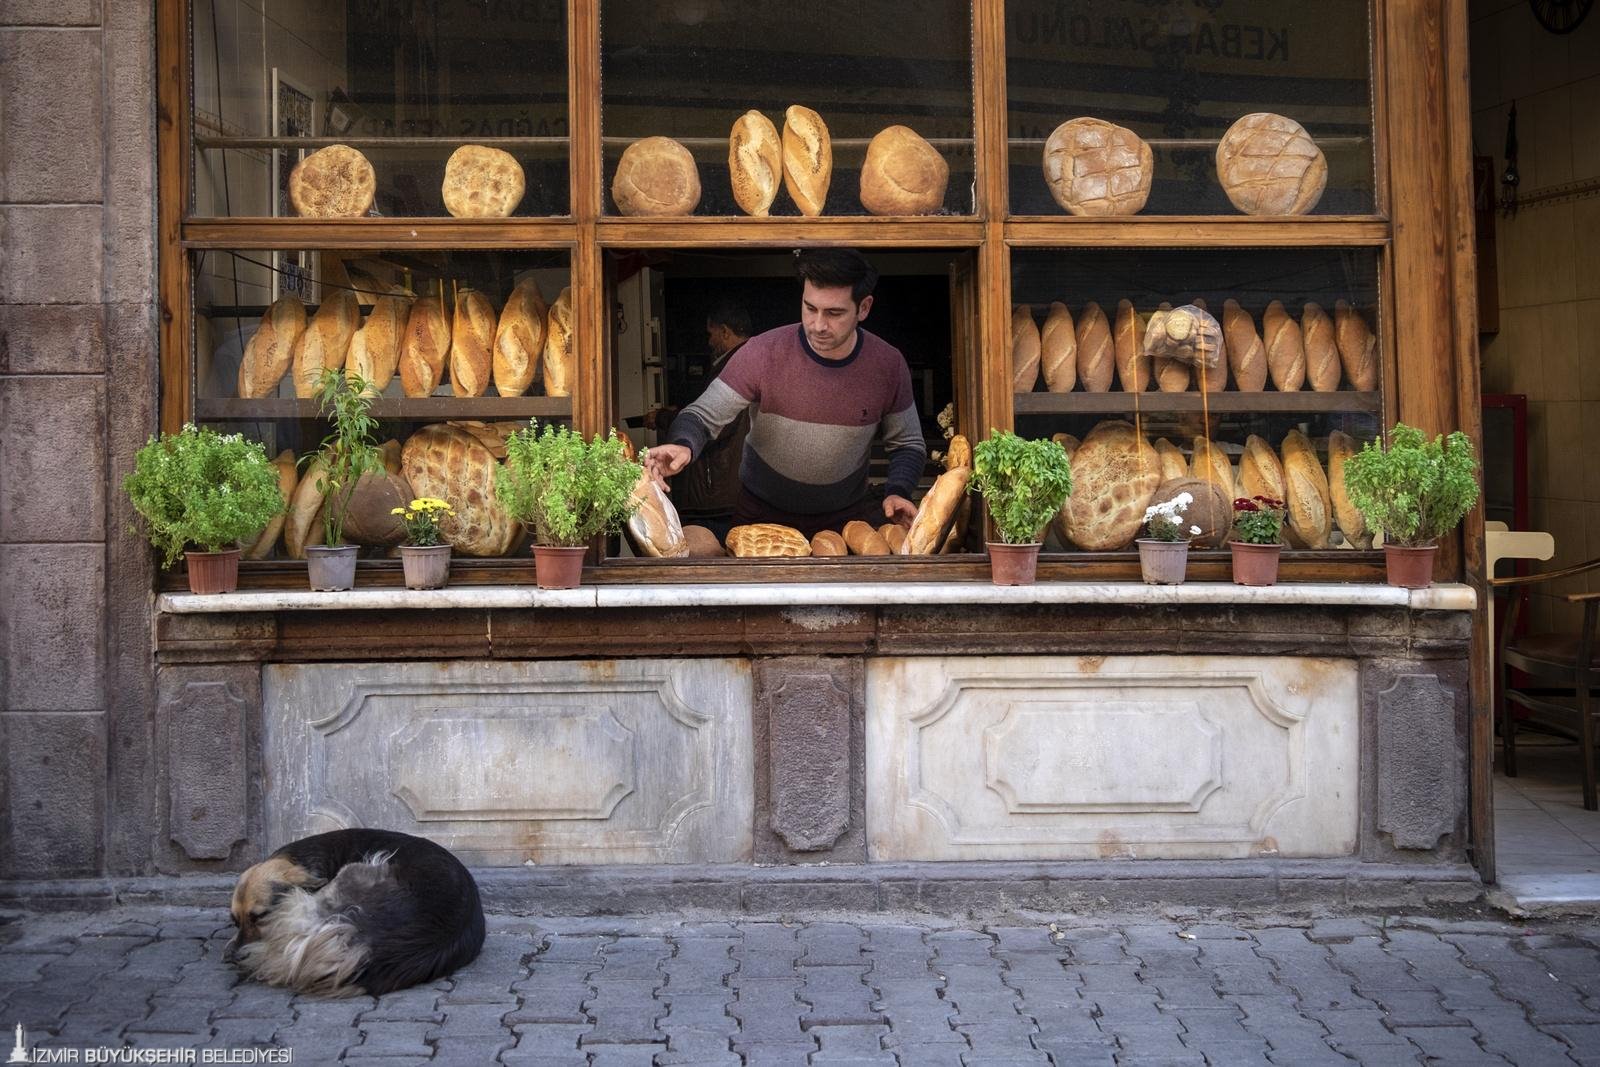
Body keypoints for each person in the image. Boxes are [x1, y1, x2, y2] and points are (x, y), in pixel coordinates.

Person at [647, 249, 927, 540]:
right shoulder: (762, 352)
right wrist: (683, 444)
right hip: (759, 517)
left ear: (864, 308)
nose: (818, 325)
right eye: (810, 308)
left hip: (844, 525)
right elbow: (701, 416)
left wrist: (899, 490)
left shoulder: (888, 364)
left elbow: (908, 443)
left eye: (834, 313)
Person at [646, 301, 752, 541]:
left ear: (725, 331)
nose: (708, 341)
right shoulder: (744, 361)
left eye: (711, 333)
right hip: (731, 489)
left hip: (720, 490)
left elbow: (719, 422)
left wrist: (663, 418)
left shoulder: (735, 366)